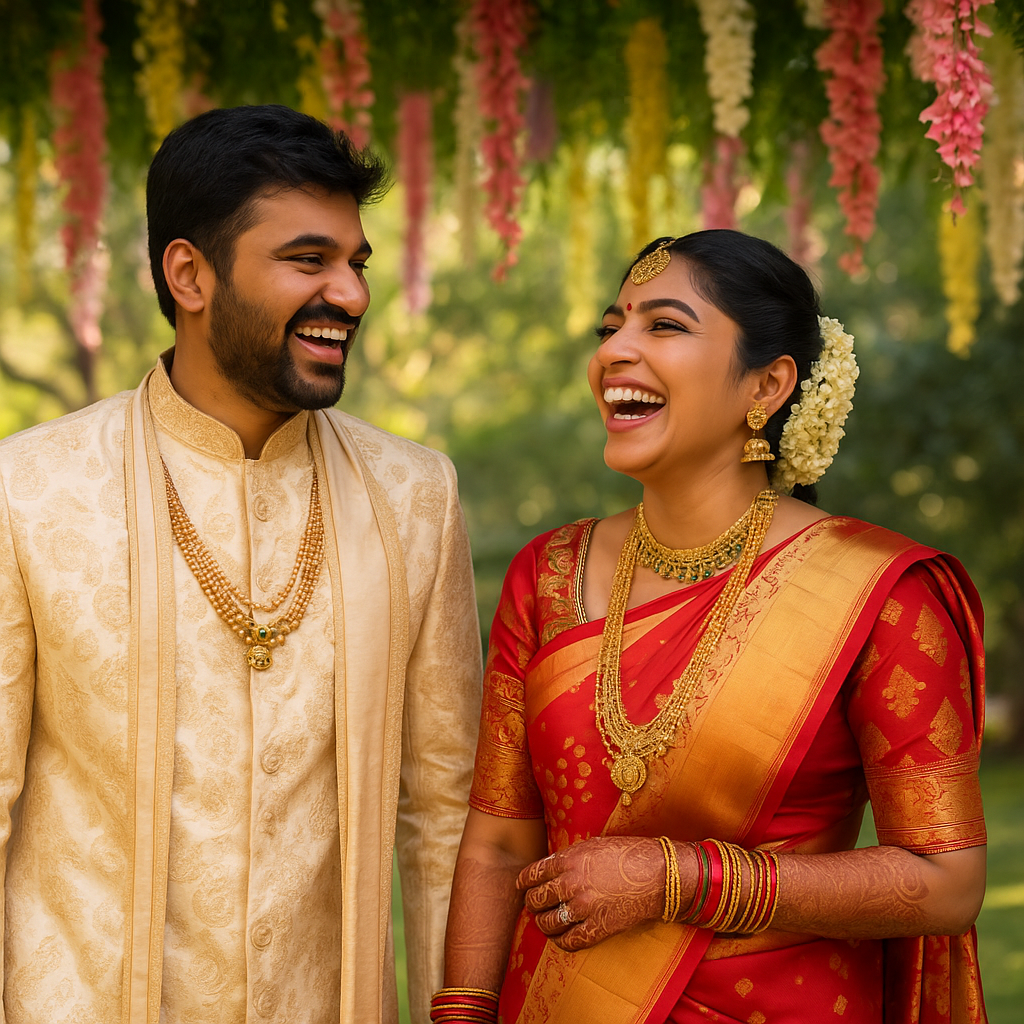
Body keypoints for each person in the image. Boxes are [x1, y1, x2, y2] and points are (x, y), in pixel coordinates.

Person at [0, 105, 482, 1024]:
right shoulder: (29, 490)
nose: (351, 295)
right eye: (308, 260)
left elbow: (443, 817)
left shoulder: (414, 497)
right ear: (189, 274)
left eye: (357, 263)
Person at [436, 231, 987, 1024]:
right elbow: (498, 846)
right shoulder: (549, 575)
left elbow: (946, 882)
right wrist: (462, 1014)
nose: (614, 351)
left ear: (767, 384)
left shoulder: (882, 594)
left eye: (663, 325)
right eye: (610, 327)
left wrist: (681, 881)